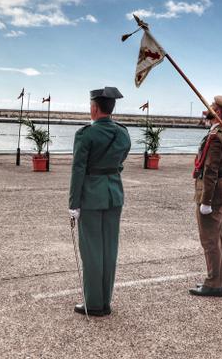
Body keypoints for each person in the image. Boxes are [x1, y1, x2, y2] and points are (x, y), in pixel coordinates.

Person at [68, 87, 131, 317]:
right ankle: (106, 301)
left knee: (92, 251)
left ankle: (94, 304)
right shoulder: (123, 133)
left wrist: (74, 204)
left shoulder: (86, 134)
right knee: (109, 249)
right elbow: (120, 161)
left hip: (92, 197)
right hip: (114, 193)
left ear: (94, 108)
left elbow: (78, 170)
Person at [189, 96, 222, 298]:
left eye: (212, 106)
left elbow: (211, 171)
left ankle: (214, 283)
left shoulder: (216, 137)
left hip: (212, 194)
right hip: (221, 192)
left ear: (218, 111)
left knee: (210, 240)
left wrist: (206, 201)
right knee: (218, 239)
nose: (208, 107)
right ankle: (218, 281)